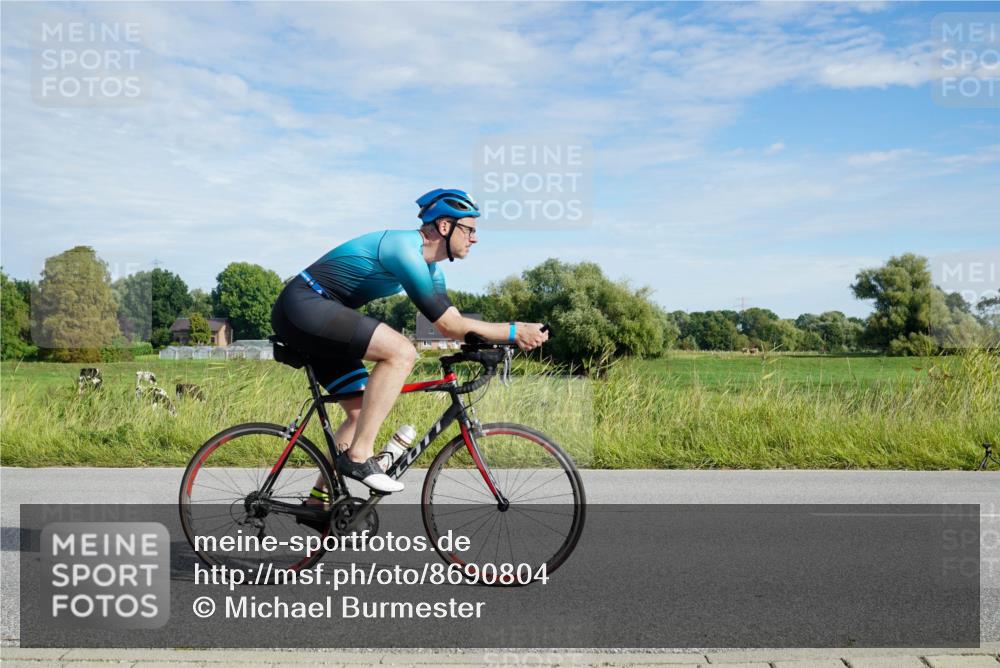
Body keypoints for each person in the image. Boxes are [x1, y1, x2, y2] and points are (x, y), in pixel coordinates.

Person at [271, 188, 549, 493]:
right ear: (445, 226)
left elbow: (452, 325)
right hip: (302, 305)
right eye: (469, 229)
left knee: (362, 410)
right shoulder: (403, 249)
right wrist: (515, 330)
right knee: (401, 352)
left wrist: (490, 343)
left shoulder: (432, 270)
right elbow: (448, 324)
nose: (474, 239)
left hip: (322, 314)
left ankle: (320, 500)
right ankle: (360, 456)